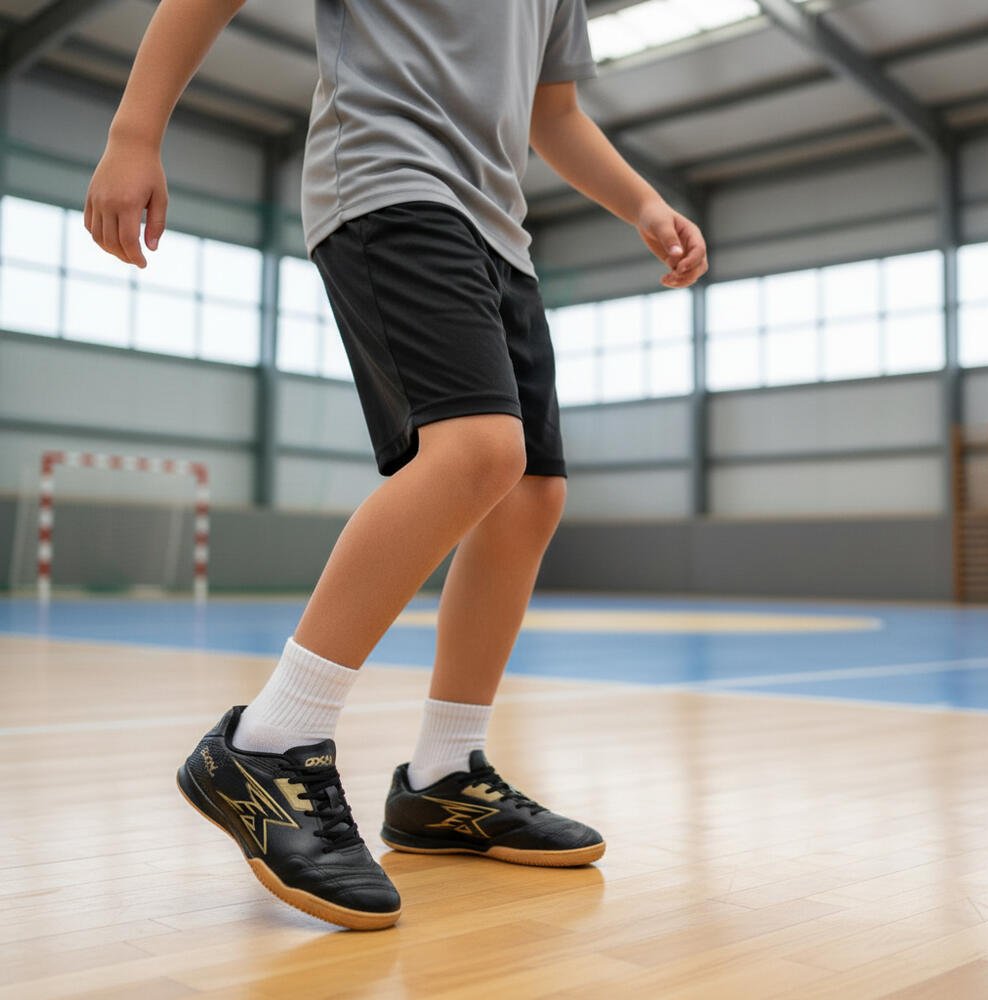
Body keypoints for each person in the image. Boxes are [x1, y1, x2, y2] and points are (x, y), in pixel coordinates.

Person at [85, 0, 708, 931]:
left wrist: (645, 204)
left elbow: (554, 113)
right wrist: (135, 133)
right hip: (387, 179)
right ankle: (271, 739)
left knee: (531, 494)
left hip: (501, 230)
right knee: (478, 449)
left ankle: (443, 777)